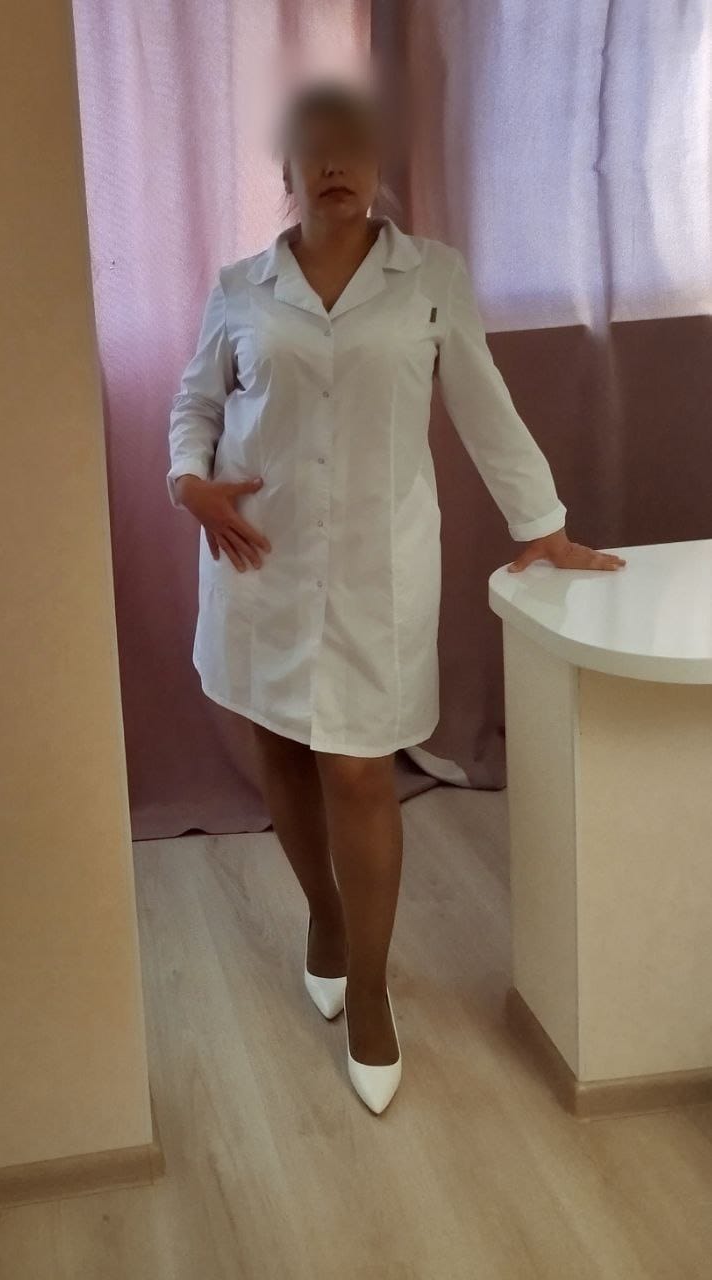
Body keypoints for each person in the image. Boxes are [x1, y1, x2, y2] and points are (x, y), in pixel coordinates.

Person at [166, 77, 626, 1115]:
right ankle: (324, 916)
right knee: (284, 747)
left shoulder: (433, 278)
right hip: (259, 557)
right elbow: (196, 404)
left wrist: (542, 523)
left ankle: (369, 986)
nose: (335, 164)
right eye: (314, 148)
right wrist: (187, 481)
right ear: (286, 169)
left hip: (380, 566)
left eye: (354, 145)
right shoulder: (240, 287)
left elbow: (483, 404)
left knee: (361, 770)